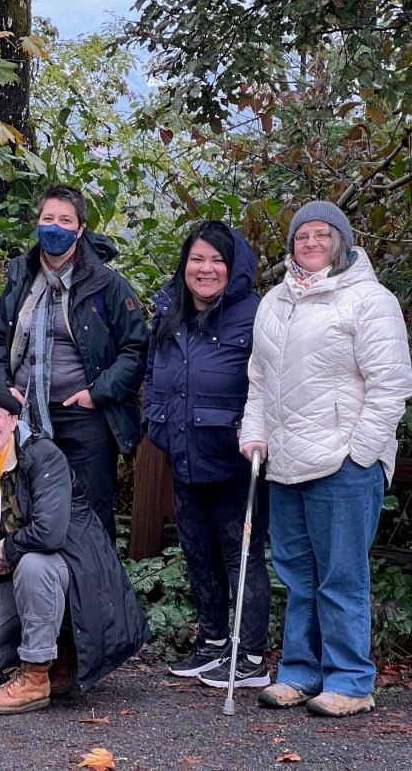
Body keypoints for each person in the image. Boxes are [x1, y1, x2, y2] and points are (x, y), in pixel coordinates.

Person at [240, 201, 412, 717]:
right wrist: (255, 433)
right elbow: (259, 380)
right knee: (297, 576)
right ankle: (299, 672)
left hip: (344, 464)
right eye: (301, 237)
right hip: (286, 463)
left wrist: (360, 454)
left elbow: (390, 385)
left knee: (341, 575)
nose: (310, 244)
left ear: (341, 240)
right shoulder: (274, 301)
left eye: (322, 235)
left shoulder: (369, 300)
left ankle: (352, 682)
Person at [0, 380, 150, 714]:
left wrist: (7, 550)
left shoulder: (41, 455)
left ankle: (36, 675)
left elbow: (50, 533)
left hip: (75, 576)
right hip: (20, 582)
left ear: (13, 421)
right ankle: (49, 648)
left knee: (33, 563)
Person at [144, 220, 271, 687]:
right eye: (197, 258)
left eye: (217, 259)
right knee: (197, 551)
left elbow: (269, 382)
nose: (206, 268)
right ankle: (214, 641)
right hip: (182, 449)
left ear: (233, 266)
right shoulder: (169, 307)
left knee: (242, 554)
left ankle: (251, 655)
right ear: (185, 264)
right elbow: (156, 371)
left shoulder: (256, 313)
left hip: (235, 456)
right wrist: (152, 419)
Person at [0, 183, 148, 541]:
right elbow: (1, 342)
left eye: (65, 220)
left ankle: (95, 590)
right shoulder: (20, 278)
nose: (55, 227)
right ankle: (38, 587)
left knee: (89, 511)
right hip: (25, 414)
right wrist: (3, 390)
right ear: (37, 223)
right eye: (48, 218)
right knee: (29, 506)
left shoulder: (106, 284)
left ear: (80, 230)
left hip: (84, 416)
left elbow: (135, 349)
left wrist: (97, 394)